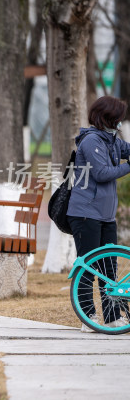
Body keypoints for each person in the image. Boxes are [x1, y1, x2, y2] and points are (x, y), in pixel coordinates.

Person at [67, 95, 130, 332]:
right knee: (89, 268)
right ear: (108, 118)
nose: (121, 121)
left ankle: (113, 317)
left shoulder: (112, 140)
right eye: (118, 118)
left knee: (109, 269)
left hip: (105, 216)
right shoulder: (92, 141)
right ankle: (89, 317)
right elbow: (102, 173)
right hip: (85, 214)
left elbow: (127, 149)